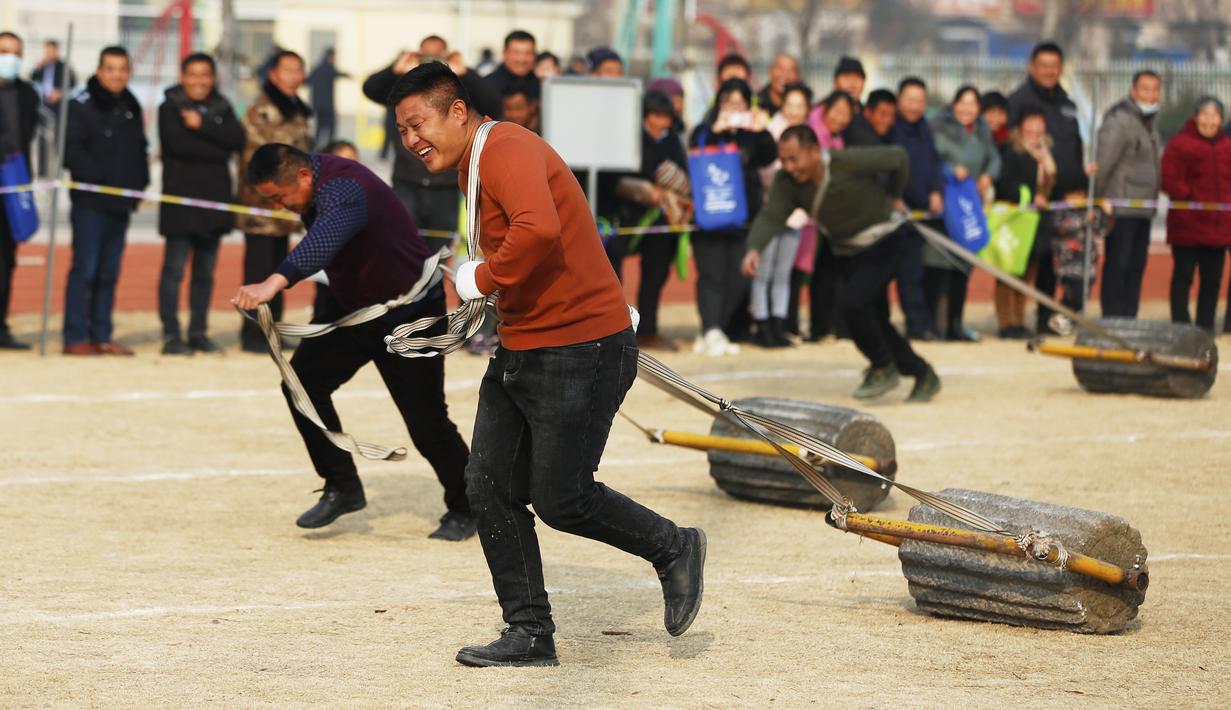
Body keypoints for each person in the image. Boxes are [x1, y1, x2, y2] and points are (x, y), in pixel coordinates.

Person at [387, 61, 706, 667]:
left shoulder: (505, 147)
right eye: (402, 130)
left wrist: (482, 276)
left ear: (458, 111)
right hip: (525, 345)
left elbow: (537, 229)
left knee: (562, 498)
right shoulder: (473, 165)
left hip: (581, 347)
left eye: (417, 123)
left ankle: (674, 546)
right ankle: (530, 632)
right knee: (487, 486)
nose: (410, 139)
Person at [231, 143, 475, 539]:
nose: (279, 206)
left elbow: (326, 237)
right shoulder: (313, 185)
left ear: (304, 177)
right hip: (353, 308)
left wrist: (273, 283)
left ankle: (468, 507)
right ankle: (342, 486)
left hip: (409, 313)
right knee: (302, 385)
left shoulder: (345, 185)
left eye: (279, 196)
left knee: (426, 420)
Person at [742, 126, 941, 402]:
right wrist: (754, 248)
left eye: (793, 159)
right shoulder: (786, 183)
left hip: (885, 241)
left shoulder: (847, 161)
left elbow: (898, 158)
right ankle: (921, 373)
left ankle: (883, 366)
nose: (788, 167)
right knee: (875, 319)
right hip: (848, 252)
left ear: (814, 152)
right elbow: (771, 215)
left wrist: (895, 195)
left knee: (853, 304)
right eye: (783, 160)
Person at [362, 41, 498, 255]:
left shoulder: (454, 88)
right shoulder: (404, 88)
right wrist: (395, 70)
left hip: (445, 185)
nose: (431, 61)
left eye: (437, 56)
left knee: (440, 251)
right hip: (407, 182)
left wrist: (465, 73)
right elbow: (371, 89)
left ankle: (437, 278)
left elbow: (492, 102)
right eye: (425, 55)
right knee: (402, 247)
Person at [62, 46, 148, 357]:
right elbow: (71, 151)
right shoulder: (80, 104)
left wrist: (138, 185)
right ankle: (75, 336)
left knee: (109, 272)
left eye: (122, 69)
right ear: (99, 71)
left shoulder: (131, 103)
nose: (116, 75)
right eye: (110, 68)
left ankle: (101, 335)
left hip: (120, 204)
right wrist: (102, 181)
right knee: (85, 269)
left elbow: (138, 149)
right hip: (90, 202)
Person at [156, 52, 245, 356]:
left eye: (205, 75)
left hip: (214, 204)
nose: (199, 81)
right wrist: (218, 147)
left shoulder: (221, 106)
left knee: (205, 274)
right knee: (174, 272)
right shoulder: (169, 107)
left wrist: (202, 125)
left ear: (213, 78)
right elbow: (179, 146)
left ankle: (198, 332)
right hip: (180, 204)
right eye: (192, 75)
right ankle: (171, 335)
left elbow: (238, 140)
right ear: (182, 77)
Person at [1007, 41, 1096, 333]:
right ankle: (1013, 321)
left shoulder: (1067, 102)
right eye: (1043, 65)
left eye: (1054, 66)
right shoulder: (1018, 101)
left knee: (1056, 264)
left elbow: (1076, 148)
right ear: (1032, 66)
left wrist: (1082, 184)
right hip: (1034, 199)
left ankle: (1047, 319)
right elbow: (1010, 148)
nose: (1049, 71)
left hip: (1066, 198)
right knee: (1028, 261)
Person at [688, 78, 777, 356]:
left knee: (738, 279)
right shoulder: (705, 130)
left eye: (740, 103)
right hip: (710, 216)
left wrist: (762, 131)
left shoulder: (753, 135)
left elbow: (769, 157)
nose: (734, 108)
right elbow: (694, 151)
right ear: (719, 104)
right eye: (729, 102)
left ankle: (716, 329)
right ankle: (711, 328)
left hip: (743, 219)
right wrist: (715, 132)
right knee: (711, 276)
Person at [236, 49, 312, 354]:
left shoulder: (297, 109)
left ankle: (272, 332)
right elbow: (254, 161)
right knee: (259, 272)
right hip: (262, 209)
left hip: (286, 209)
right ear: (273, 75)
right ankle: (253, 334)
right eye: (287, 70)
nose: (294, 77)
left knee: (279, 272)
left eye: (298, 70)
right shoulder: (262, 110)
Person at [616, 89, 692, 351]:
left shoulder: (673, 141)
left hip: (662, 220)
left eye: (666, 117)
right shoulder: (630, 137)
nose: (661, 122)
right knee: (612, 275)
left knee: (656, 274)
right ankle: (614, 330)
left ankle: (648, 331)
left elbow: (682, 173)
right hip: (627, 217)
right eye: (656, 116)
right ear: (645, 116)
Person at [928, 85, 1001, 342]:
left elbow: (994, 157)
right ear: (954, 104)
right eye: (963, 102)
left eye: (973, 103)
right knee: (939, 268)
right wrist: (950, 169)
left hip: (969, 205)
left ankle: (956, 323)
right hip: (945, 203)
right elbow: (930, 158)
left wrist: (988, 175)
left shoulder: (981, 129)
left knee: (963, 266)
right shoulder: (938, 126)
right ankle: (936, 325)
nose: (967, 109)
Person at [1160, 97, 1231, 333]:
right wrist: (1189, 196)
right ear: (1196, 117)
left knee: (1212, 280)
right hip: (1187, 226)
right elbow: (1168, 179)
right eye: (1205, 115)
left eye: (1214, 116)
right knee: (1183, 277)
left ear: (1221, 119)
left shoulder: (1227, 147)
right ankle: (1180, 325)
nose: (1209, 121)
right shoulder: (1179, 144)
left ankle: (1205, 326)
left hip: (1218, 229)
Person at [1095, 69, 1162, 319]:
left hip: (1143, 209)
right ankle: (1113, 317)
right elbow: (1104, 164)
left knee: (1136, 267)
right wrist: (1099, 198)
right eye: (1145, 89)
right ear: (1133, 91)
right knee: (1119, 265)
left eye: (1155, 90)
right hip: (1121, 207)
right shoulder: (1119, 121)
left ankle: (1129, 317)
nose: (1150, 95)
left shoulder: (1149, 124)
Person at [755, 82, 812, 348]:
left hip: (797, 215)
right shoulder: (770, 133)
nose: (795, 111)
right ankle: (762, 324)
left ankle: (779, 325)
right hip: (772, 212)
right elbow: (765, 173)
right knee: (763, 273)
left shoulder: (809, 137)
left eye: (800, 106)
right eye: (791, 105)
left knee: (783, 273)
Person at [797, 90, 856, 342]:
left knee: (831, 271)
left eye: (846, 114)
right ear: (825, 109)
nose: (840, 118)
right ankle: (814, 326)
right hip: (809, 216)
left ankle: (828, 325)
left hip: (833, 215)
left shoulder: (837, 138)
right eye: (837, 112)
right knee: (809, 273)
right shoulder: (811, 133)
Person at [993, 106, 1055, 339]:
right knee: (1009, 272)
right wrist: (1027, 197)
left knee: (1027, 273)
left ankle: (1019, 320)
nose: (1035, 129)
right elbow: (1006, 185)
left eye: (1039, 124)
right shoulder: (1012, 152)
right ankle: (1006, 323)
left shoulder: (1045, 153)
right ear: (1020, 127)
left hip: (1037, 222)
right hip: (1015, 221)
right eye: (1030, 124)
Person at [891, 77, 945, 341]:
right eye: (910, 99)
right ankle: (912, 324)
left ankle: (921, 324)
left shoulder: (925, 128)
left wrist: (936, 190)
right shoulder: (891, 128)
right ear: (899, 100)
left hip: (921, 214)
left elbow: (934, 162)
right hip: (897, 214)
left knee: (917, 273)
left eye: (920, 100)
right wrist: (895, 196)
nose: (915, 106)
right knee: (902, 273)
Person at [0, 31, 38, 350]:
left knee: (6, 260)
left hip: (14, 184)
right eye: (3, 51)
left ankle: (1, 325)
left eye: (15, 53)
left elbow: (28, 136)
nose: (9, 59)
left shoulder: (27, 93)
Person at [30, 39, 75, 177]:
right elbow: (33, 77)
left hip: (58, 106)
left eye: (51, 50)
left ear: (56, 51)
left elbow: (72, 82)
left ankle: (58, 169)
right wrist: (38, 65)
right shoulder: (42, 66)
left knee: (58, 137)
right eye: (46, 50)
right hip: (42, 106)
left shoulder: (63, 66)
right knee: (42, 137)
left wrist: (60, 92)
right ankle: (42, 171)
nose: (48, 53)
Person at [481, 30, 538, 116]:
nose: (522, 59)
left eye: (528, 53)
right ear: (504, 53)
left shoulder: (542, 86)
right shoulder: (486, 86)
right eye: (516, 53)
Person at [306, 48, 350, 148]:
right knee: (331, 128)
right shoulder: (329, 68)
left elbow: (307, 81)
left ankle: (314, 147)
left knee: (319, 128)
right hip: (327, 105)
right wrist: (347, 75)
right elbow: (338, 74)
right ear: (330, 56)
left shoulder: (317, 69)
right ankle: (330, 148)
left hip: (317, 104)